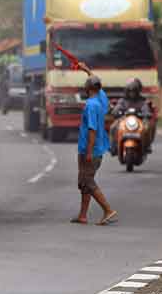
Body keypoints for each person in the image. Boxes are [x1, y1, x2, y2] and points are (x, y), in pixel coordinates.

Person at [71, 75, 118, 226]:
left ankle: (108, 210)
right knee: (84, 182)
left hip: (90, 149)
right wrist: (86, 70)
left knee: (87, 181)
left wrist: (89, 152)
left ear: (89, 89)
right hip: (97, 148)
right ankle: (83, 215)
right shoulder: (101, 100)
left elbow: (92, 130)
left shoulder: (91, 105)